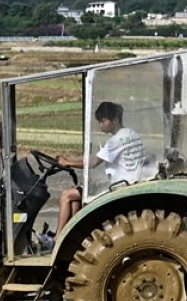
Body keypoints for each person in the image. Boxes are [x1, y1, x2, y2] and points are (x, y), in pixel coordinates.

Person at [55, 101, 144, 236]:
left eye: (103, 121)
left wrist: (67, 163)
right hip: (129, 181)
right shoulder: (131, 134)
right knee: (75, 198)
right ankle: (73, 235)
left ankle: (57, 237)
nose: (101, 125)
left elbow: (93, 163)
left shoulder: (116, 140)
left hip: (117, 186)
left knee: (66, 195)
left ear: (115, 120)